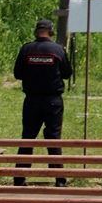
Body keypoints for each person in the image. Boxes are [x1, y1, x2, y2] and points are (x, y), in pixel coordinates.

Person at [13, 19, 73, 187]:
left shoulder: (26, 49)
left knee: (27, 138)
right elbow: (67, 73)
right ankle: (59, 180)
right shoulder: (58, 50)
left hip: (32, 100)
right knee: (53, 139)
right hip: (53, 101)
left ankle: (19, 178)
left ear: (36, 31)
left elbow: (17, 73)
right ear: (51, 31)